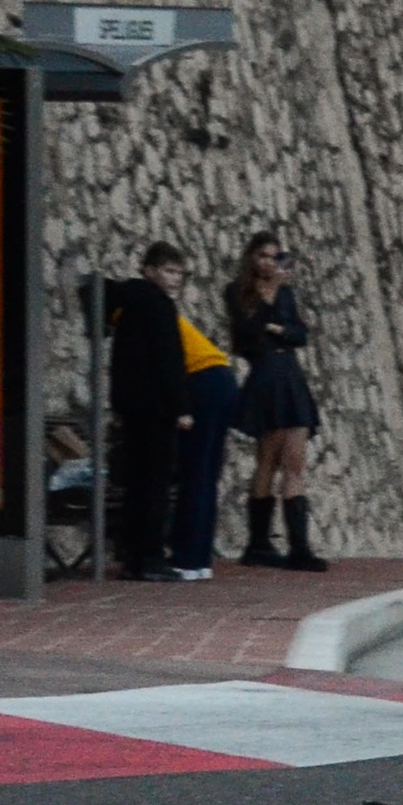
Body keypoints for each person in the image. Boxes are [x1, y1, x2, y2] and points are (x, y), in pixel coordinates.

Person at [225, 231, 327, 571]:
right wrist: (269, 306)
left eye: (274, 256)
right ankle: (259, 542)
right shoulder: (239, 292)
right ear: (252, 258)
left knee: (295, 459)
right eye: (263, 255)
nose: (269, 262)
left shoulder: (286, 292)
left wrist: (278, 328)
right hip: (266, 374)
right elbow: (247, 335)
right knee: (268, 458)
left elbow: (299, 333)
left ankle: (299, 546)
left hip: (289, 374)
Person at [107, 244, 193, 582]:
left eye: (177, 273)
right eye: (168, 271)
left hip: (133, 407)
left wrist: (119, 404)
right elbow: (170, 360)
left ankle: (133, 555)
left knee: (137, 483)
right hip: (157, 409)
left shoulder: (128, 304)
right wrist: (182, 407)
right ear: (150, 270)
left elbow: (122, 361)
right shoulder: (159, 307)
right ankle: (152, 556)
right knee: (157, 482)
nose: (173, 279)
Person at [169, 263, 241, 581]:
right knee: (207, 475)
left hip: (202, 383)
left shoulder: (145, 318)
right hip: (223, 379)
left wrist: (181, 408)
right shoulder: (172, 318)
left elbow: (168, 369)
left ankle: (185, 560)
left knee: (193, 474)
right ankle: (200, 559)